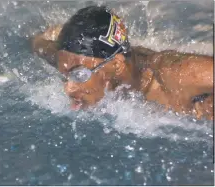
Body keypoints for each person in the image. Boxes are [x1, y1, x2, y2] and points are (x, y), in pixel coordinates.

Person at [31, 5, 214, 120]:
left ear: (116, 65)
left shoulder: (175, 74)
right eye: (65, 75)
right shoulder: (70, 61)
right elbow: (39, 43)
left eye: (78, 74)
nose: (68, 89)